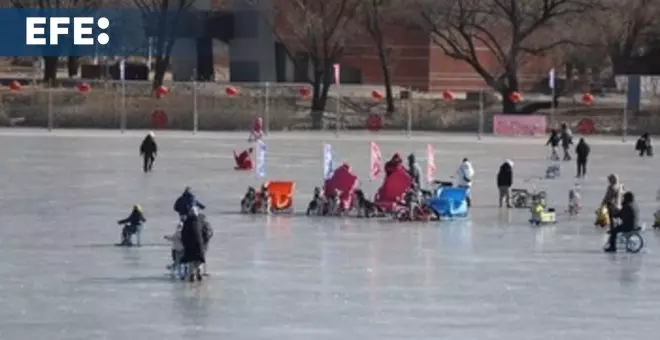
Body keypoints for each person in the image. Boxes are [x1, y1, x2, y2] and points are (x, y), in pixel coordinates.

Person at [180, 207, 206, 281]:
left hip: (189, 245)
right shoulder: (201, 221)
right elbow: (206, 232)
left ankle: (192, 275)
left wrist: (184, 243)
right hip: (199, 244)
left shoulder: (187, 222)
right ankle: (199, 272)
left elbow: (183, 235)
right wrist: (204, 241)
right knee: (199, 259)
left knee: (191, 260)